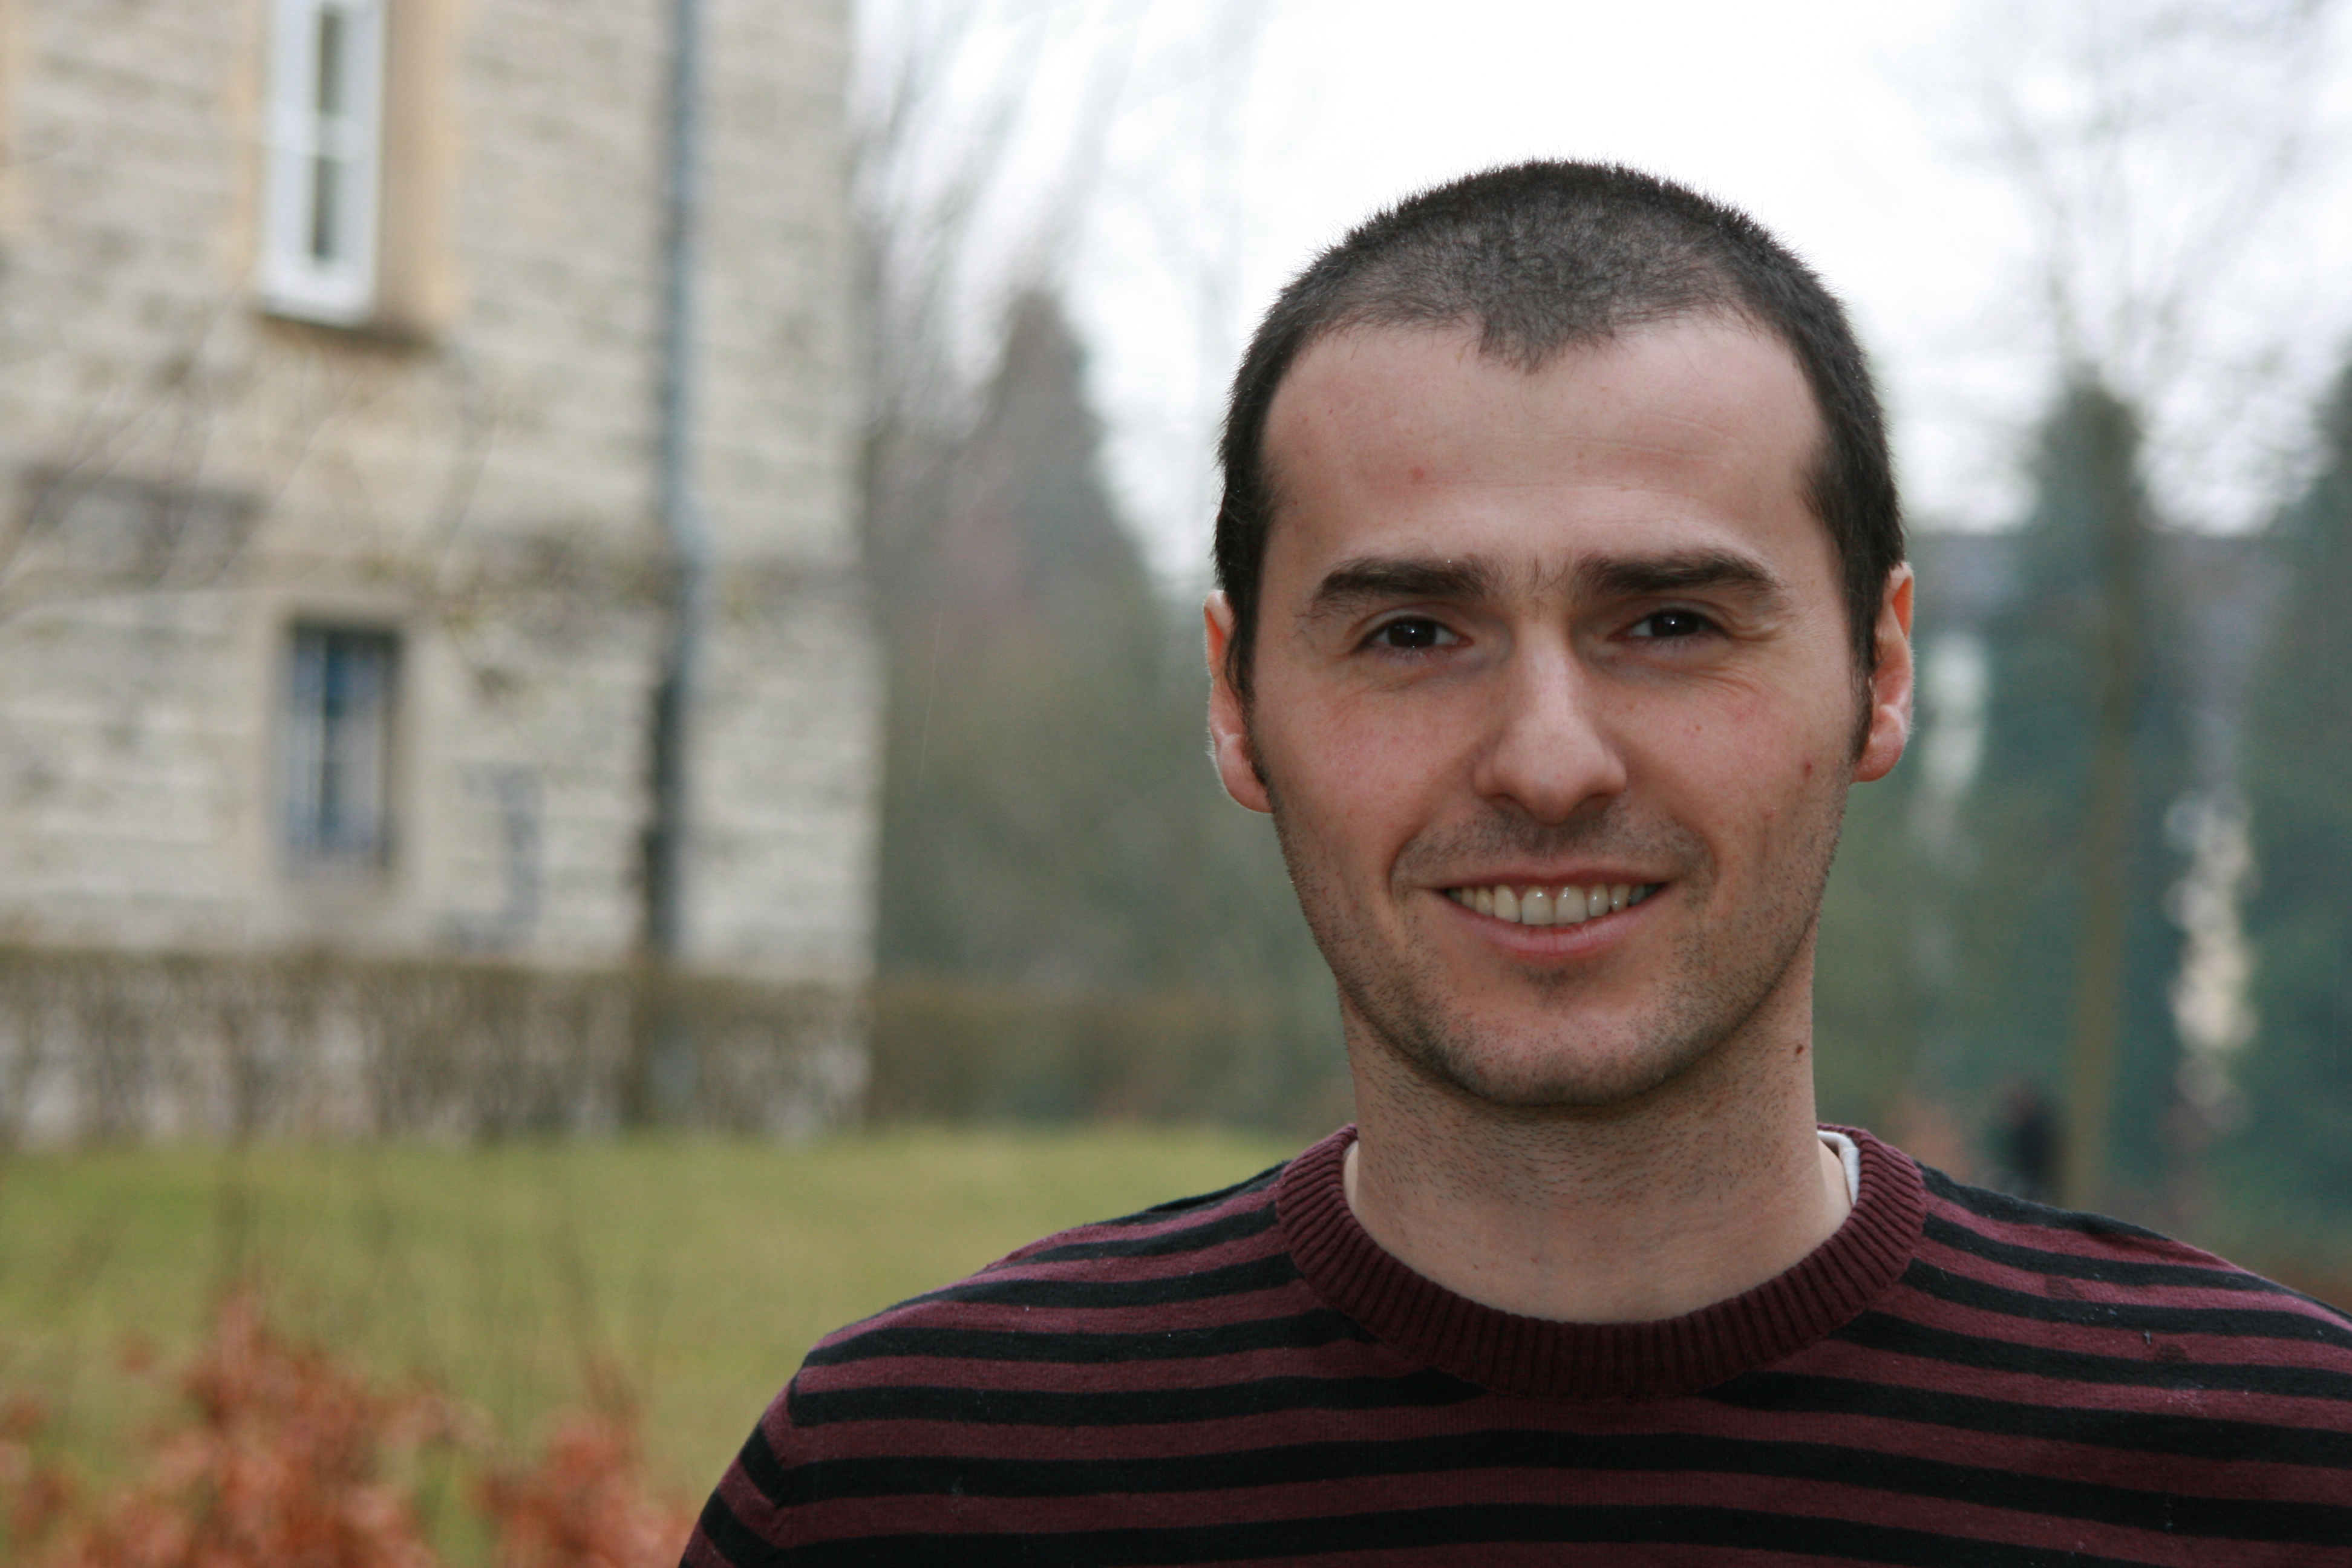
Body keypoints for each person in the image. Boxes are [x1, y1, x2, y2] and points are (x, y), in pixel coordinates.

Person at [683, 162, 2352, 1565]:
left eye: (1671, 622)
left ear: (1881, 666)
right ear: (1236, 703)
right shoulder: (898, 1491)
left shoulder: (2286, 1482)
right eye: (1413, 632)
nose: (1549, 763)